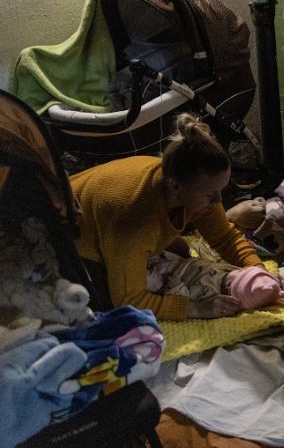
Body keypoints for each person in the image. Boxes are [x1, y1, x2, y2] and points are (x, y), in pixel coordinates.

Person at [72, 113, 266, 321]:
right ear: (175, 186)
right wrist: (196, 309)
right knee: (103, 308)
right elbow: (130, 300)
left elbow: (225, 237)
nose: (218, 201)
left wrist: (259, 270)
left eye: (222, 191)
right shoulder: (136, 219)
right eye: (211, 195)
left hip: (110, 219)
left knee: (180, 249)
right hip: (68, 236)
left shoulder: (189, 185)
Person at [146, 250, 284, 311]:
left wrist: (177, 288)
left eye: (239, 275)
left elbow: (188, 298)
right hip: (179, 261)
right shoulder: (232, 272)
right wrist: (268, 277)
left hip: (167, 278)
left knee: (146, 278)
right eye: (242, 270)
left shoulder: (212, 294)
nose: (236, 270)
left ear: (231, 287)